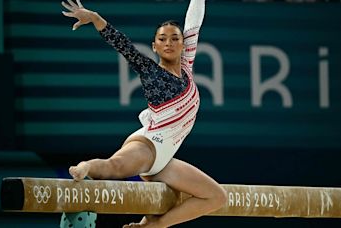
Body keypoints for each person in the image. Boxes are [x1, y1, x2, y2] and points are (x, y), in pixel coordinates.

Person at [61, 0, 227, 227]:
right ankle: (86, 167)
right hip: (148, 146)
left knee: (216, 197)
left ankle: (154, 225)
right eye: (162, 39)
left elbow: (194, 20)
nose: (169, 43)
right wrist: (96, 19)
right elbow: (124, 46)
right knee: (115, 167)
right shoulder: (150, 71)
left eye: (175, 38)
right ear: (155, 46)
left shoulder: (187, 66)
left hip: (164, 160)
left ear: (183, 44)